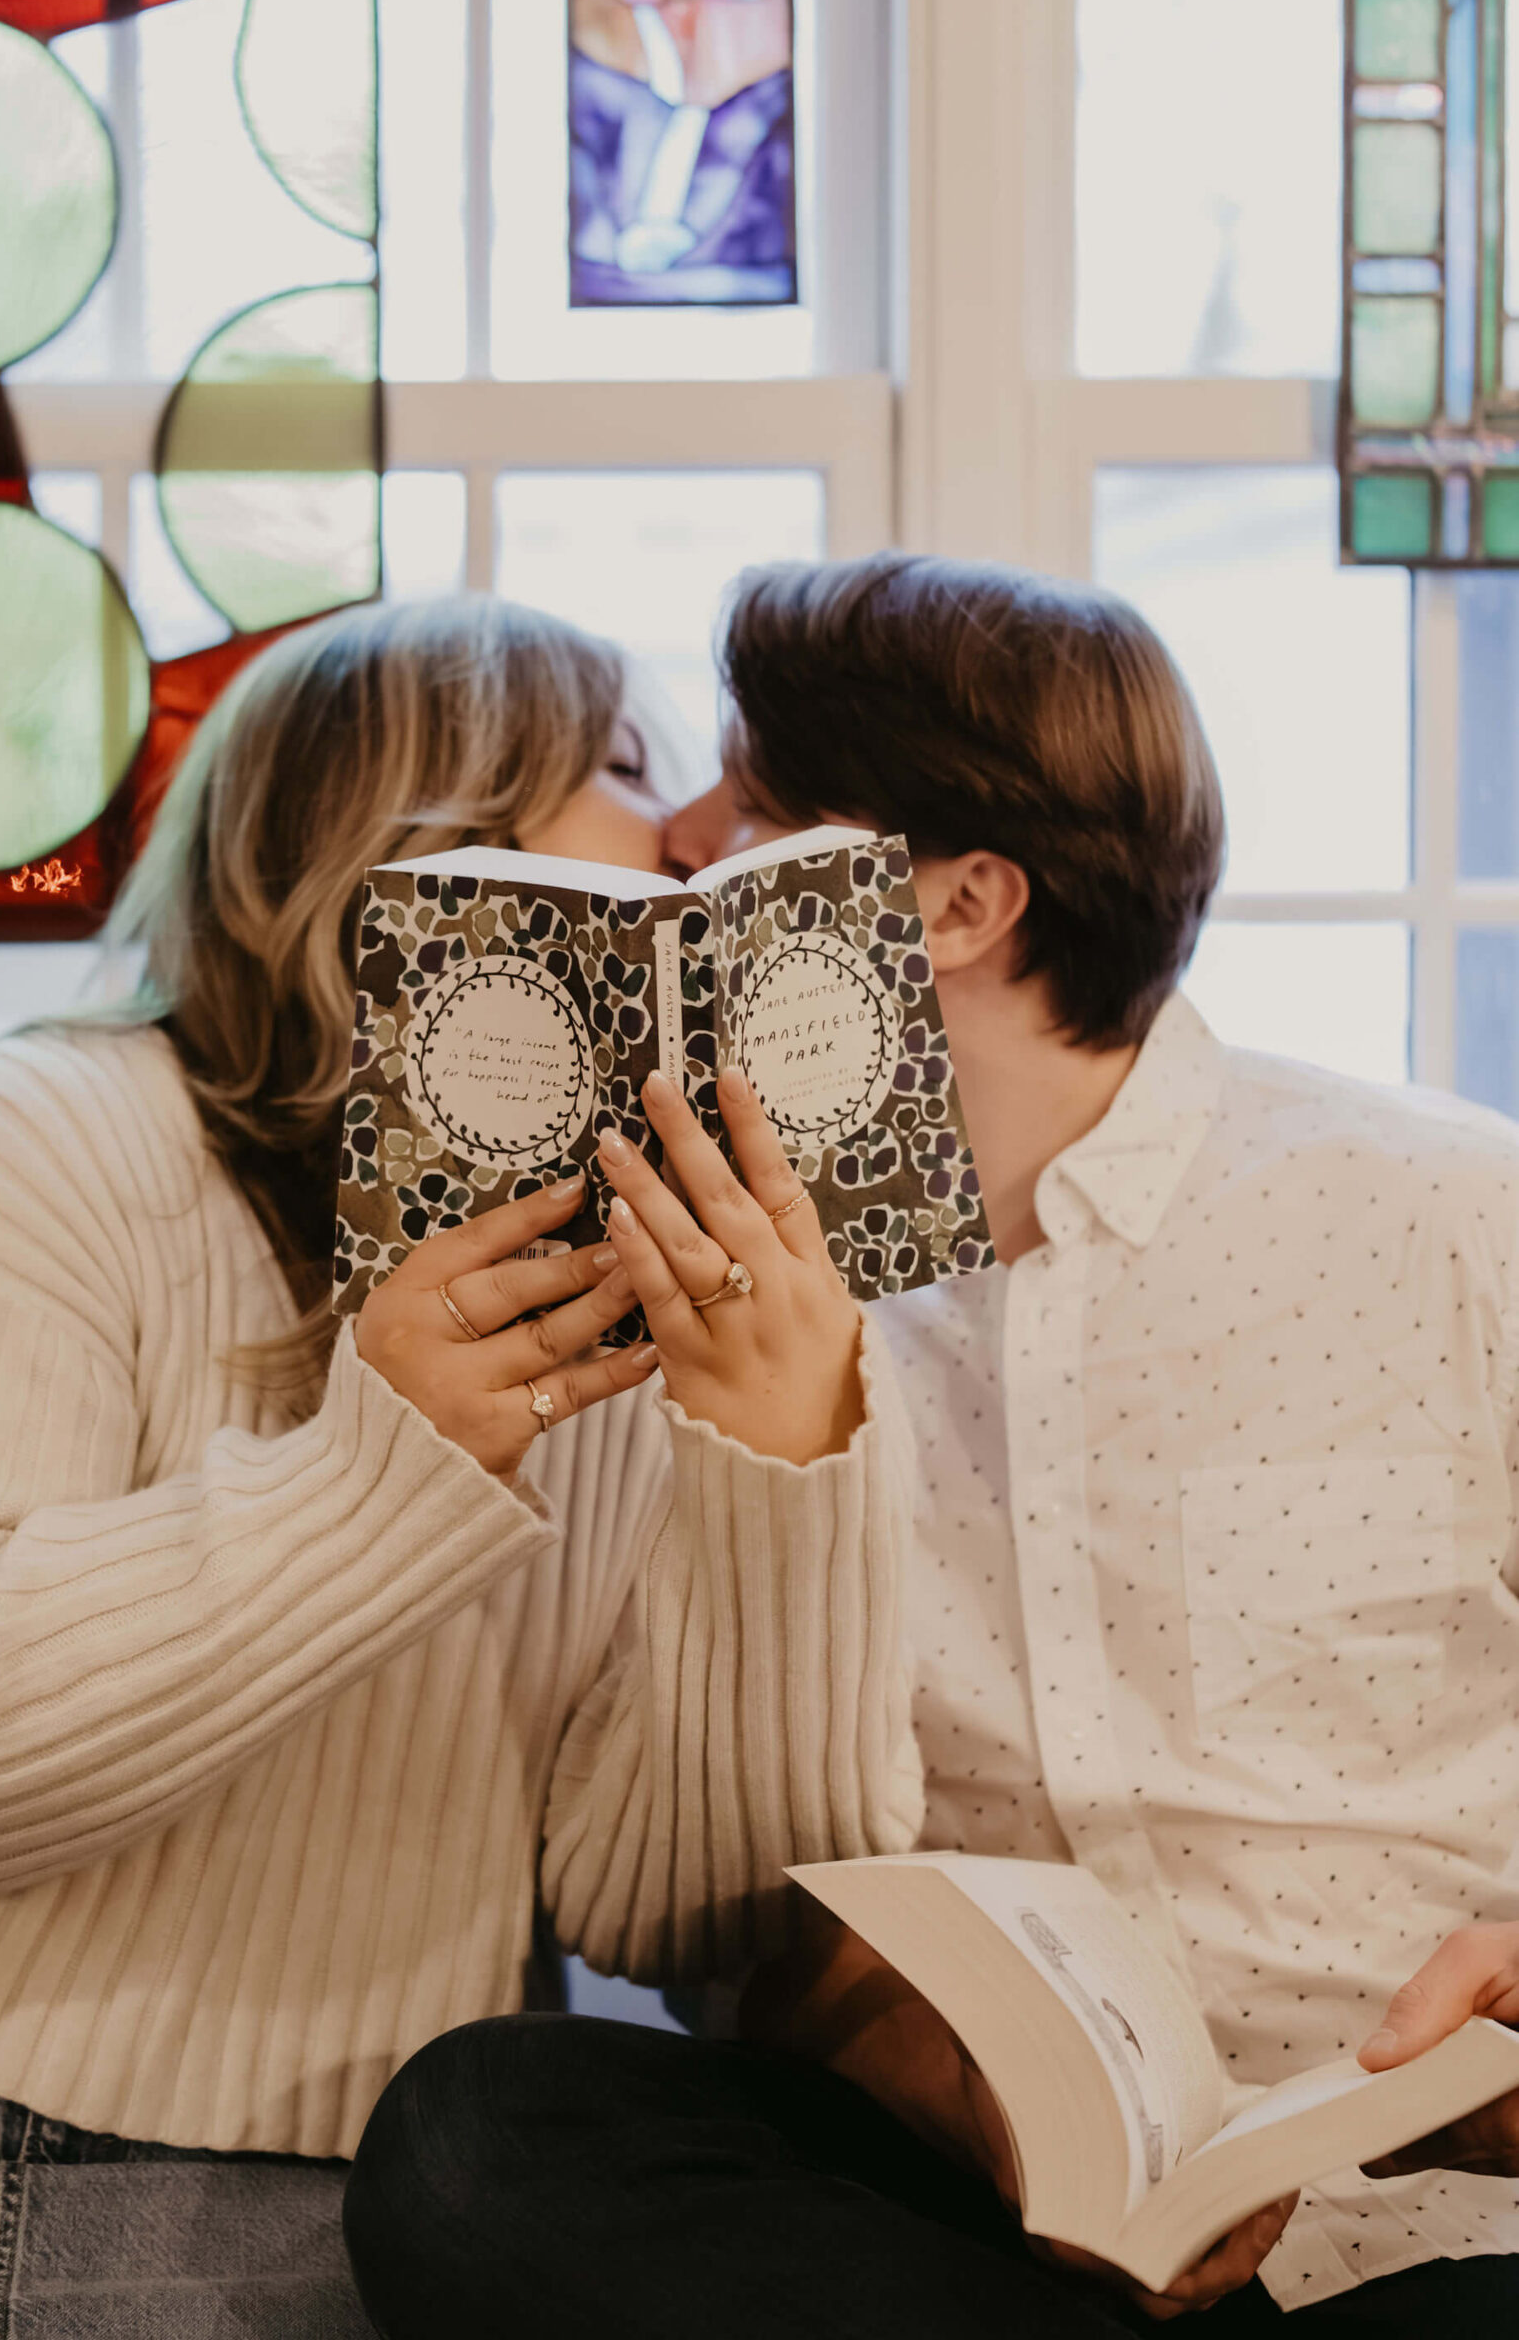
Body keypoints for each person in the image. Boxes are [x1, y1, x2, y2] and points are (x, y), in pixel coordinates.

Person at [345, 557, 1519, 2335]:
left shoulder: (1451, 1214)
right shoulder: (687, 1289)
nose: (673, 838)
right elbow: (718, 1931)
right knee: (481, 2136)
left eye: (746, 805)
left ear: (958, 903)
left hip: (1429, 2203)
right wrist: (962, 2096)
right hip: (975, 2213)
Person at [0, 594, 920, 2340]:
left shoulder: (602, 1258)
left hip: (407, 2193)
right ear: (436, 828)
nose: (704, 834)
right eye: (631, 766)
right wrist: (381, 1480)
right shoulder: (63, 1132)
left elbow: (664, 1913)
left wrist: (769, 1477)